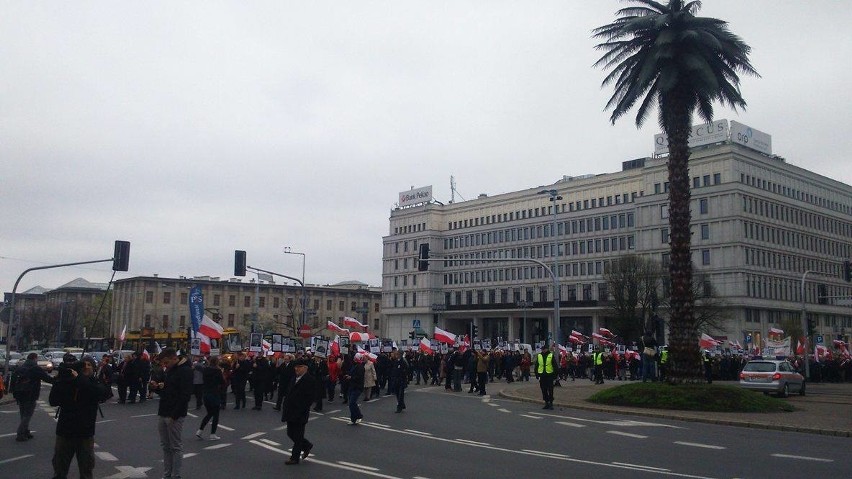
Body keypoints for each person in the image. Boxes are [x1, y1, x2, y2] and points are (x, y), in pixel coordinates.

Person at [49, 358, 111, 479]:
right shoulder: (68, 382)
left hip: (84, 433)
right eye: (83, 365)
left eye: (89, 365)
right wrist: (60, 379)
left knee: (86, 469)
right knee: (59, 468)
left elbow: (101, 393)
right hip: (65, 431)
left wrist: (79, 378)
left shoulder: (94, 383)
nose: (86, 367)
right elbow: (53, 400)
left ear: (94, 368)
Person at [149, 348, 193, 479]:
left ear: (175, 358)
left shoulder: (185, 371)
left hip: (174, 414)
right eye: (163, 363)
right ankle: (167, 474)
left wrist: (175, 415)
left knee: (175, 446)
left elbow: (185, 395)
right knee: (166, 446)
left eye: (166, 362)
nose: (164, 365)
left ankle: (175, 475)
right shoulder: (171, 370)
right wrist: (156, 388)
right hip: (164, 411)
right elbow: (168, 392)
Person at [281, 358, 316, 465]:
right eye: (296, 367)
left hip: (300, 412)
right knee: (290, 433)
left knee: (298, 435)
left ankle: (294, 458)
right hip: (290, 410)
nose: (296, 369)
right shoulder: (294, 378)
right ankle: (307, 445)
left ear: (305, 368)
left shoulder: (309, 380)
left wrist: (301, 408)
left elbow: (310, 398)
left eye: (299, 367)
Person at [13, 352, 55, 441]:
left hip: (20, 394)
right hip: (31, 394)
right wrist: (58, 380)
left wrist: (13, 392)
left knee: (23, 414)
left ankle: (25, 431)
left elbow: (13, 380)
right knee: (27, 415)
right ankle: (20, 434)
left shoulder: (20, 368)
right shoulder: (36, 368)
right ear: (35, 359)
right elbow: (47, 379)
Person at [196, 356, 225, 440]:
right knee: (216, 415)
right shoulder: (218, 371)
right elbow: (222, 382)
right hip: (214, 394)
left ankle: (200, 430)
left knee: (209, 413)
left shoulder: (205, 370)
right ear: (217, 362)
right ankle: (212, 433)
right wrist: (221, 373)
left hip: (205, 394)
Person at [535, 344, 558, 410]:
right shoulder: (539, 355)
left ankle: (551, 403)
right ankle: (546, 402)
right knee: (543, 390)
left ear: (547, 349)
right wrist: (537, 374)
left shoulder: (551, 355)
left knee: (550, 390)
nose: (543, 350)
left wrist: (555, 375)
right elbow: (537, 365)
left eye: (544, 349)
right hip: (542, 375)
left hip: (549, 375)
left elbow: (555, 365)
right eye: (542, 349)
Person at [345, 354, 365, 424]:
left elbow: (359, 377)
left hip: (357, 387)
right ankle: (354, 418)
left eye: (355, 358)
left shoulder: (360, 367)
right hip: (352, 386)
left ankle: (358, 416)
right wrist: (349, 375)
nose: (354, 359)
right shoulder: (354, 365)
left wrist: (351, 377)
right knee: (352, 403)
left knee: (352, 403)